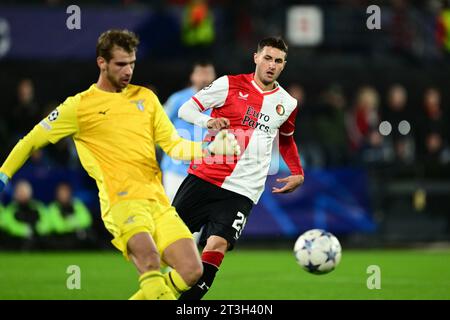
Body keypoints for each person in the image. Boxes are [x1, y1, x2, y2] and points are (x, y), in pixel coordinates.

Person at [0, 29, 239, 300]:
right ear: (102, 63)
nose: (128, 71)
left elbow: (174, 145)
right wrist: (3, 174)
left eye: (132, 63)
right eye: (121, 64)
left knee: (192, 270)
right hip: (121, 202)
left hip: (158, 203)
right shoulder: (79, 106)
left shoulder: (146, 99)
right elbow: (30, 141)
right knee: (149, 260)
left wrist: (209, 150)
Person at [173, 37, 305, 300]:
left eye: (278, 61)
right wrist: (207, 122)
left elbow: (287, 139)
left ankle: (188, 304)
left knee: (218, 243)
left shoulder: (287, 103)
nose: (272, 65)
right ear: (256, 57)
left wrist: (297, 171)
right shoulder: (228, 84)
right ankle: (161, 287)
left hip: (244, 188)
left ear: (284, 65)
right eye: (267, 58)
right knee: (170, 241)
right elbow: (187, 110)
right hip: (205, 176)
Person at [161, 61, 216, 201]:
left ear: (214, 77)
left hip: (204, 170)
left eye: (208, 74)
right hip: (176, 168)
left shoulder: (219, 103)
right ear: (192, 76)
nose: (204, 78)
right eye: (200, 73)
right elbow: (160, 124)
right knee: (172, 210)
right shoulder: (178, 99)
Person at [1, 180, 50, 250]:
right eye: (19, 192)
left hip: (36, 237)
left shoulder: (37, 207)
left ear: (29, 193)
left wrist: (36, 229)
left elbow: (45, 221)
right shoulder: (11, 209)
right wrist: (23, 230)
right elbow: (8, 224)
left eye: (24, 192)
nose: (22, 195)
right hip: (17, 239)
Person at [46, 182, 94, 248]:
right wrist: (73, 223)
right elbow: (58, 227)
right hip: (61, 237)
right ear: (57, 194)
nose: (64, 195)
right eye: (61, 193)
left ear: (70, 193)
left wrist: (69, 223)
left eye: (66, 192)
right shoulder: (53, 207)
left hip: (76, 235)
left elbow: (87, 220)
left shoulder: (77, 205)